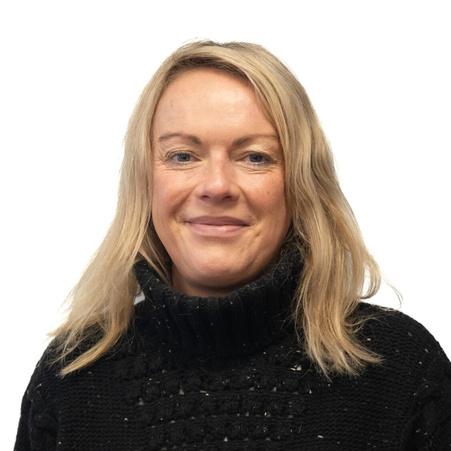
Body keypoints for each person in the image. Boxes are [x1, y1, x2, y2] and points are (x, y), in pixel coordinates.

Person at [14, 40, 451, 450]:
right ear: (144, 182)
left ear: (300, 184)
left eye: (255, 157)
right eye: (183, 156)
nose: (217, 185)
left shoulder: (400, 367)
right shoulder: (70, 377)